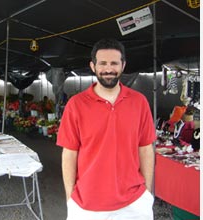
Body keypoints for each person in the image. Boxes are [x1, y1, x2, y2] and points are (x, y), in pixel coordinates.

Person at [56, 38, 156, 220]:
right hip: (87, 206)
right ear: (93, 66)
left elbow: (145, 148)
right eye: (102, 63)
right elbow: (69, 153)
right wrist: (70, 198)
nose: (108, 69)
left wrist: (147, 192)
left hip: (134, 204)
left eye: (114, 63)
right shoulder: (76, 105)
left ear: (123, 65)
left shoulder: (139, 102)